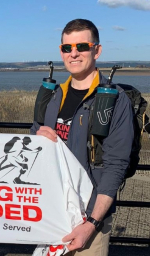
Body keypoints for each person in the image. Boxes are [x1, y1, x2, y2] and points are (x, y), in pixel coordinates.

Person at [31, 19, 133, 256]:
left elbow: (115, 166)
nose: (74, 54)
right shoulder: (53, 96)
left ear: (97, 50)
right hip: (50, 215)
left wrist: (92, 224)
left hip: (88, 222)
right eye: (67, 48)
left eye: (82, 46)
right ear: (60, 51)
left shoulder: (114, 101)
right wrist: (37, 139)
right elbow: (33, 142)